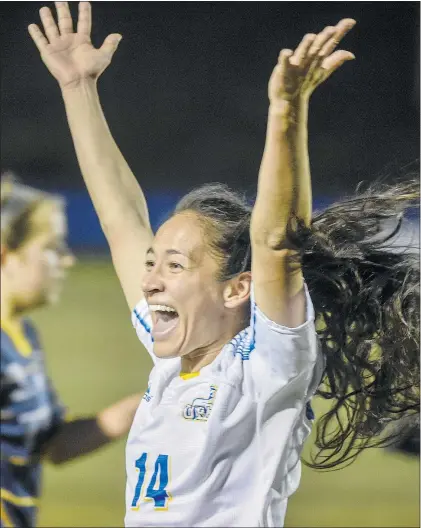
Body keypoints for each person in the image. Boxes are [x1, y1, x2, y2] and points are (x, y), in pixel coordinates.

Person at [28, 3, 419, 527]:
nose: (149, 280)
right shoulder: (174, 360)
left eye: (174, 266)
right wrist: (78, 89)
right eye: (153, 264)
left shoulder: (266, 365)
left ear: (237, 289)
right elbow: (120, 218)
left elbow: (277, 241)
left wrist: (286, 111)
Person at [1, 175, 143, 528]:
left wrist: (153, 400)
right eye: (52, 248)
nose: (66, 261)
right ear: (6, 255)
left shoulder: (22, 337)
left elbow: (54, 445)